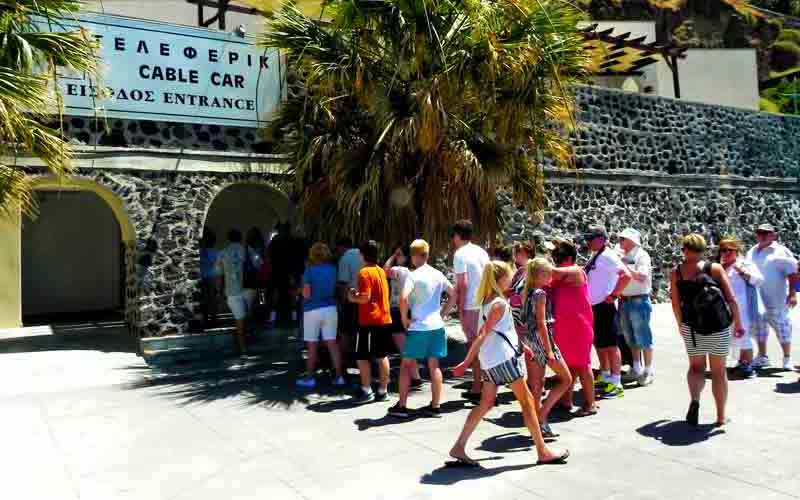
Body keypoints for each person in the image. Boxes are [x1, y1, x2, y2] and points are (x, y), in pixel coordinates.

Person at [448, 261, 569, 467]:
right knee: (527, 402)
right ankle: (543, 450)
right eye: (509, 274)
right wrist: (466, 362)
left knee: (485, 404)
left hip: (491, 360)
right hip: (503, 360)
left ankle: (459, 446)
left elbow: (503, 331)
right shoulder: (500, 303)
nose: (513, 277)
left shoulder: (489, 300)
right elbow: (483, 334)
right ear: (501, 278)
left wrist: (523, 346)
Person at [671, 234, 744, 427]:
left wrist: (680, 325)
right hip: (718, 327)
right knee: (719, 372)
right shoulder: (715, 268)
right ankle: (720, 416)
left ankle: (695, 400)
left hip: (692, 328)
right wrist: (738, 324)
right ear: (703, 249)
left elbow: (676, 304)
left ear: (685, 249)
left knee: (696, 368)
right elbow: (732, 299)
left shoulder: (677, 272)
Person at [388, 240, 457, 418]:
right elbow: (454, 294)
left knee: (406, 365)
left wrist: (404, 318)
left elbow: (403, 297)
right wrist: (442, 314)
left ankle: (402, 406)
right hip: (436, 326)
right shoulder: (438, 274)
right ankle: (435, 406)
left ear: (413, 256)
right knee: (434, 366)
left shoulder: (413, 275)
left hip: (418, 326)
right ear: (427, 254)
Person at [521, 258, 572, 438]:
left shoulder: (526, 292)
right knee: (566, 379)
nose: (550, 275)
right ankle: (541, 417)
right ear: (538, 274)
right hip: (542, 339)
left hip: (530, 340)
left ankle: (537, 424)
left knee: (536, 385)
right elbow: (542, 323)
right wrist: (549, 350)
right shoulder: (540, 294)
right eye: (547, 272)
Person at [549, 239, 597, 417]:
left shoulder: (576, 271)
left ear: (568, 258)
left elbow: (550, 272)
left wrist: (532, 263)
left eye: (558, 257)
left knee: (583, 365)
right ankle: (566, 400)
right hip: (565, 326)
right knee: (567, 365)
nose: (555, 261)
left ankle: (590, 403)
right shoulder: (562, 276)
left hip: (579, 327)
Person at [584, 225, 631, 399]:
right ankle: (605, 375)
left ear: (601, 239)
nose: (587, 241)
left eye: (591, 238)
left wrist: (614, 295)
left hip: (605, 307)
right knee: (600, 343)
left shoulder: (609, 255)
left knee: (611, 344)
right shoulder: (597, 254)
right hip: (595, 306)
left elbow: (626, 275)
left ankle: (616, 382)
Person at [746, 224, 798, 371]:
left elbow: (793, 272)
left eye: (765, 233)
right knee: (759, 328)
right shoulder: (752, 251)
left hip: (777, 299)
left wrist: (793, 294)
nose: (761, 235)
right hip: (757, 300)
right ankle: (762, 356)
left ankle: (787, 358)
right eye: (759, 232)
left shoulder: (781, 251)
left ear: (773, 235)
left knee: (782, 327)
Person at [347, 240, 393, 403]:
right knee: (382, 356)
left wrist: (352, 297)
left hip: (369, 321)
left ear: (362, 254)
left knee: (361, 356)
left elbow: (365, 298)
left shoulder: (364, 272)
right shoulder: (380, 271)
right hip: (384, 318)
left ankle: (366, 390)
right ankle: (383, 390)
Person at [297, 243, 346, 389]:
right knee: (332, 344)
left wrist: (300, 292)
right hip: (330, 308)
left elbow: (306, 293)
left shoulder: (309, 271)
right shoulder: (332, 270)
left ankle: (310, 378)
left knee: (312, 346)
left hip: (312, 309)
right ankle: (339, 377)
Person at [451, 220, 490, 402]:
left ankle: (478, 388)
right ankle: (482, 386)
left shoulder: (460, 254)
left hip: (471, 305)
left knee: (474, 347)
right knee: (485, 347)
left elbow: (463, 283)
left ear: (457, 236)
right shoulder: (481, 251)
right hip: (486, 303)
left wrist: (460, 308)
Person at [718, 237, 764, 379]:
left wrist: (743, 273)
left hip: (743, 308)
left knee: (743, 336)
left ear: (736, 251)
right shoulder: (720, 266)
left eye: (729, 250)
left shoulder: (745, 264)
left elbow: (759, 280)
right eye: (723, 250)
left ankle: (748, 366)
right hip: (726, 308)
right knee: (733, 336)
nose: (725, 253)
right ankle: (741, 362)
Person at [617, 228, 655, 387]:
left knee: (643, 337)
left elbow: (642, 276)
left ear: (631, 241)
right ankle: (636, 368)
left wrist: (624, 265)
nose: (620, 241)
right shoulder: (623, 255)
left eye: (623, 238)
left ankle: (648, 370)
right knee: (630, 337)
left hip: (639, 300)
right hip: (625, 300)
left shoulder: (641, 255)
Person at [384, 244, 423, 388]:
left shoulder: (398, 270)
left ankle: (413, 376)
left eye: (399, 254)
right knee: (407, 343)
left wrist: (392, 257)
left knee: (402, 344)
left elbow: (385, 270)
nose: (397, 256)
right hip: (411, 309)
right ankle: (415, 375)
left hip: (397, 309)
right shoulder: (415, 272)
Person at [216, 229, 258, 356]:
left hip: (232, 290)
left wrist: (219, 291)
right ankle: (249, 341)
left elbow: (219, 274)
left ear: (228, 239)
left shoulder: (222, 253)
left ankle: (243, 348)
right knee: (247, 316)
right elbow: (258, 265)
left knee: (239, 319)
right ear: (240, 238)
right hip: (249, 288)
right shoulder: (248, 250)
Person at [337, 237, 363, 360]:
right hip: (365, 299)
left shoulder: (345, 258)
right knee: (361, 328)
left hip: (350, 299)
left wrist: (342, 302)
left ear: (342, 247)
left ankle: (345, 358)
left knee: (345, 330)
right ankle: (361, 356)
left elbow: (343, 283)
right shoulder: (364, 254)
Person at [199, 229, 220, 328]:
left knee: (208, 299)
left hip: (208, 277)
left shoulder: (210, 251)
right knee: (209, 299)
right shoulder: (214, 252)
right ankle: (210, 317)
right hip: (209, 277)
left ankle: (210, 317)